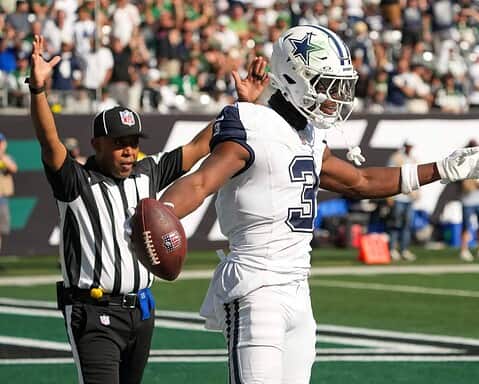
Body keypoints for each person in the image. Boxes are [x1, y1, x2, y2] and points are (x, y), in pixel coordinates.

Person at [158, 25, 479, 384]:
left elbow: (361, 182)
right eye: (325, 84)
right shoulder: (252, 123)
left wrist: (442, 168)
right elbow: (202, 181)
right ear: (294, 79)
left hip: (298, 290)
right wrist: (165, 212)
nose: (335, 96)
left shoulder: (308, 135)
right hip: (256, 287)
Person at [28, 34, 267, 384]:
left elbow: (200, 145)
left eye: (133, 143)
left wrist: (243, 105)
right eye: (119, 144)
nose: (128, 151)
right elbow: (49, 142)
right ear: (97, 144)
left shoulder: (147, 171)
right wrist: (38, 90)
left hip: (141, 310)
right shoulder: (76, 181)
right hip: (93, 312)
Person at [386, 140, 419, 261]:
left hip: (409, 198)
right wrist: (390, 195)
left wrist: (417, 193)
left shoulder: (413, 159)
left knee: (407, 225)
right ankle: (392, 249)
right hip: (398, 197)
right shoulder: (396, 158)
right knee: (395, 224)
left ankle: (404, 249)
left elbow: (416, 178)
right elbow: (389, 176)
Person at [459, 139, 479, 262]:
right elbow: (465, 185)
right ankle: (464, 250)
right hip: (467, 201)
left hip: (477, 200)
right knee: (466, 226)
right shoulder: (464, 164)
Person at [0, 132, 17, 253]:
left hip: (2, 199)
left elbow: (13, 168)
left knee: (1, 230)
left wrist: (1, 155)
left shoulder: (6, 158)